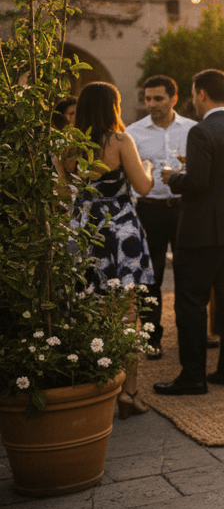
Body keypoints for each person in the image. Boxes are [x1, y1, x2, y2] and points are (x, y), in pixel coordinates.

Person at [154, 69, 224, 396]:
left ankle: (193, 376)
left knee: (191, 303)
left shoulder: (201, 132)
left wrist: (172, 177)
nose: (193, 101)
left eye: (193, 95)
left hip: (201, 231)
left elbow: (197, 183)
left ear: (201, 94)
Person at [64, 82, 156, 417]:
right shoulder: (119, 141)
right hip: (118, 230)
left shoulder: (68, 146)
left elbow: (62, 193)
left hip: (83, 230)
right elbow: (143, 187)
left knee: (87, 307)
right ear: (112, 106)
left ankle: (96, 387)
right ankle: (129, 392)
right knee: (127, 312)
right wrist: (148, 167)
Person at [126, 75, 196, 359]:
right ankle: (151, 337)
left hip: (185, 208)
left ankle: (190, 335)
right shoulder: (133, 132)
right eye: (148, 99)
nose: (151, 104)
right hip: (148, 209)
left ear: (173, 99)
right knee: (149, 277)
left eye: (158, 98)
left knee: (188, 274)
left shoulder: (192, 130)